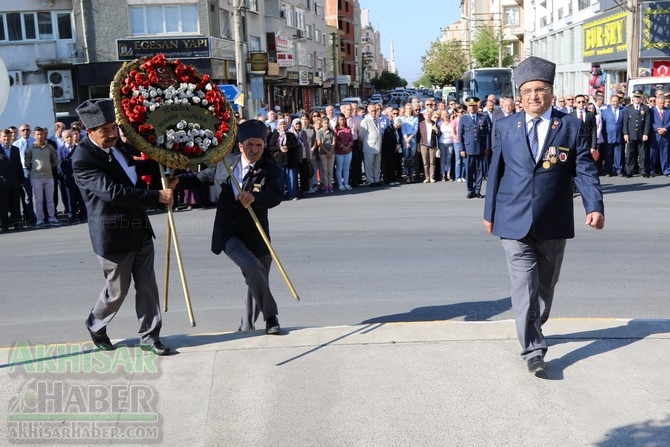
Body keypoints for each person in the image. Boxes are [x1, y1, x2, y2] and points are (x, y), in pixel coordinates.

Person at [483, 56, 605, 377]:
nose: (534, 96)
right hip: (513, 219)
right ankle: (534, 351)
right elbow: (496, 171)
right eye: (527, 91)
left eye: (541, 89)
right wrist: (489, 212)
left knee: (544, 287)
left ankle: (536, 321)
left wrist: (594, 206)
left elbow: (585, 171)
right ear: (519, 95)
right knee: (524, 286)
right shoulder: (506, 126)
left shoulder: (570, 126)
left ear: (551, 92)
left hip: (553, 220)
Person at [72, 98, 175, 355]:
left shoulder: (118, 147)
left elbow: (134, 169)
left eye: (113, 128)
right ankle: (95, 324)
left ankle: (150, 336)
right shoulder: (83, 159)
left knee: (148, 286)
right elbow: (114, 192)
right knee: (117, 291)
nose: (110, 134)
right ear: (89, 132)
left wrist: (168, 161)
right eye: (104, 131)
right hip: (113, 235)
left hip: (138, 227)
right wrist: (157, 197)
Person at [177, 120, 283, 334]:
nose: (255, 150)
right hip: (229, 233)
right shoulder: (225, 163)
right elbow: (199, 178)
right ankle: (271, 317)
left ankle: (246, 326)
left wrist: (254, 197)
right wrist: (176, 181)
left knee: (258, 277)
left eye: (259, 146)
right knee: (253, 268)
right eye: (250, 145)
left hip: (257, 232)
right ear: (240, 145)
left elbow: (275, 195)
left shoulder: (270, 169)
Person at [25, 126, 60, 227]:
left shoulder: (49, 147)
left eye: (42, 134)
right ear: (34, 135)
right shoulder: (31, 148)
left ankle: (52, 217)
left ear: (45, 135)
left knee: (50, 199)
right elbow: (27, 161)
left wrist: (48, 167)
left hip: (49, 176)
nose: (40, 136)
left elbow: (55, 160)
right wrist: (34, 169)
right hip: (36, 178)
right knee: (39, 200)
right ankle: (40, 218)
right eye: (38, 134)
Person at [459, 96, 491, 198]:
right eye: (470, 106)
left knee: (479, 170)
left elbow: (487, 134)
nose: (472, 108)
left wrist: (487, 147)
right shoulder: (463, 119)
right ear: (467, 107)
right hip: (468, 148)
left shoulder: (483, 117)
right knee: (469, 170)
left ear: (477, 106)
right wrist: (462, 149)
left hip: (480, 148)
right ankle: (470, 190)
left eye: (474, 106)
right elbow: (460, 135)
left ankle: (477, 190)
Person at [0, 128, 25, 233]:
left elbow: (19, 165)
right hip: (2, 182)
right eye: (4, 137)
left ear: (11, 137)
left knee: (15, 204)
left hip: (14, 182)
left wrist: (22, 179)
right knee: (3, 205)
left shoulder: (15, 149)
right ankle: (4, 225)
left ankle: (17, 223)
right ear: (0, 137)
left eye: (8, 136)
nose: (6, 138)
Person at [268, 119, 299, 200]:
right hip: (279, 160)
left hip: (290, 159)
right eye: (281, 124)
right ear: (278, 125)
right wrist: (279, 148)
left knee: (291, 179)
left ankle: (292, 194)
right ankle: (280, 195)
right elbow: (271, 146)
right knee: (280, 179)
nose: (283, 126)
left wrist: (287, 147)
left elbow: (295, 145)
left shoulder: (291, 135)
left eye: (284, 124)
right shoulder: (275, 135)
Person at [623, 91, 651, 177]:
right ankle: (629, 171)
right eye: (635, 97)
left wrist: (646, 133)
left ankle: (643, 170)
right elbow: (625, 122)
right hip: (631, 135)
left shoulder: (645, 108)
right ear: (633, 98)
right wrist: (625, 133)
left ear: (641, 98)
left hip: (641, 135)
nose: (637, 99)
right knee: (630, 153)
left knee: (642, 154)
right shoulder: (628, 108)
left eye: (639, 97)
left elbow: (647, 122)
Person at [601, 94, 625, 176]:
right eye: (613, 101)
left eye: (616, 101)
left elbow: (625, 124)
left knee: (619, 154)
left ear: (619, 102)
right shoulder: (605, 111)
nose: (614, 103)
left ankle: (619, 170)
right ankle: (608, 171)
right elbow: (603, 125)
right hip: (608, 136)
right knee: (608, 155)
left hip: (619, 135)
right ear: (610, 102)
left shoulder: (623, 111)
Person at [359, 103, 383, 186]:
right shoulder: (365, 121)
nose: (374, 112)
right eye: (372, 111)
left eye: (375, 110)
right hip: (369, 146)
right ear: (368, 111)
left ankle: (377, 179)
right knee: (369, 165)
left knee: (377, 164)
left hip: (378, 145)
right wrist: (365, 143)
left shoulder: (378, 119)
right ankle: (370, 180)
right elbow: (362, 135)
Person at [649, 89, 670, 177]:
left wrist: (665, 128)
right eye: (660, 103)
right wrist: (658, 129)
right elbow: (649, 122)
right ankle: (651, 170)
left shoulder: (668, 110)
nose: (662, 105)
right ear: (656, 102)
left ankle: (666, 171)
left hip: (665, 136)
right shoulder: (651, 111)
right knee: (652, 155)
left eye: (663, 103)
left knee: (665, 155)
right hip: (655, 135)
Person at [417, 108, 440, 183]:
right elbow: (418, 135)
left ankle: (432, 177)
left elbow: (439, 134)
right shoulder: (421, 124)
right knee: (425, 162)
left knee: (432, 162)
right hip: (423, 144)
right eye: (426, 114)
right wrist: (418, 145)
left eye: (429, 114)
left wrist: (436, 130)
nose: (427, 116)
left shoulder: (434, 123)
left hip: (432, 145)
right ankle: (427, 177)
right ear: (423, 115)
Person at [334, 114, 354, 191]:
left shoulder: (348, 129)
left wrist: (348, 146)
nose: (342, 121)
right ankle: (340, 184)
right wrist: (343, 147)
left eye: (343, 119)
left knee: (346, 168)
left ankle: (346, 183)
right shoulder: (336, 129)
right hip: (339, 151)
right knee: (339, 168)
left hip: (348, 151)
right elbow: (336, 140)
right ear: (338, 121)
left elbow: (351, 139)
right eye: (340, 120)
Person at [381, 117, 403, 186]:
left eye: (399, 126)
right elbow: (388, 140)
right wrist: (395, 145)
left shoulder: (398, 130)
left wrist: (399, 144)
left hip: (395, 149)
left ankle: (394, 178)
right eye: (397, 126)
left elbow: (399, 138)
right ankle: (389, 179)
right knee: (389, 165)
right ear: (394, 124)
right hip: (388, 150)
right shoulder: (389, 129)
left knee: (394, 165)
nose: (397, 127)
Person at [316, 117, 336, 192]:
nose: (326, 124)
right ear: (322, 124)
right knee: (325, 170)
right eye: (325, 123)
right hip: (323, 153)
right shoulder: (319, 132)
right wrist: (327, 152)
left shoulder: (332, 132)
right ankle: (326, 185)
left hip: (331, 153)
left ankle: (330, 185)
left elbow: (333, 142)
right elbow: (319, 143)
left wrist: (331, 151)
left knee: (330, 170)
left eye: (327, 123)